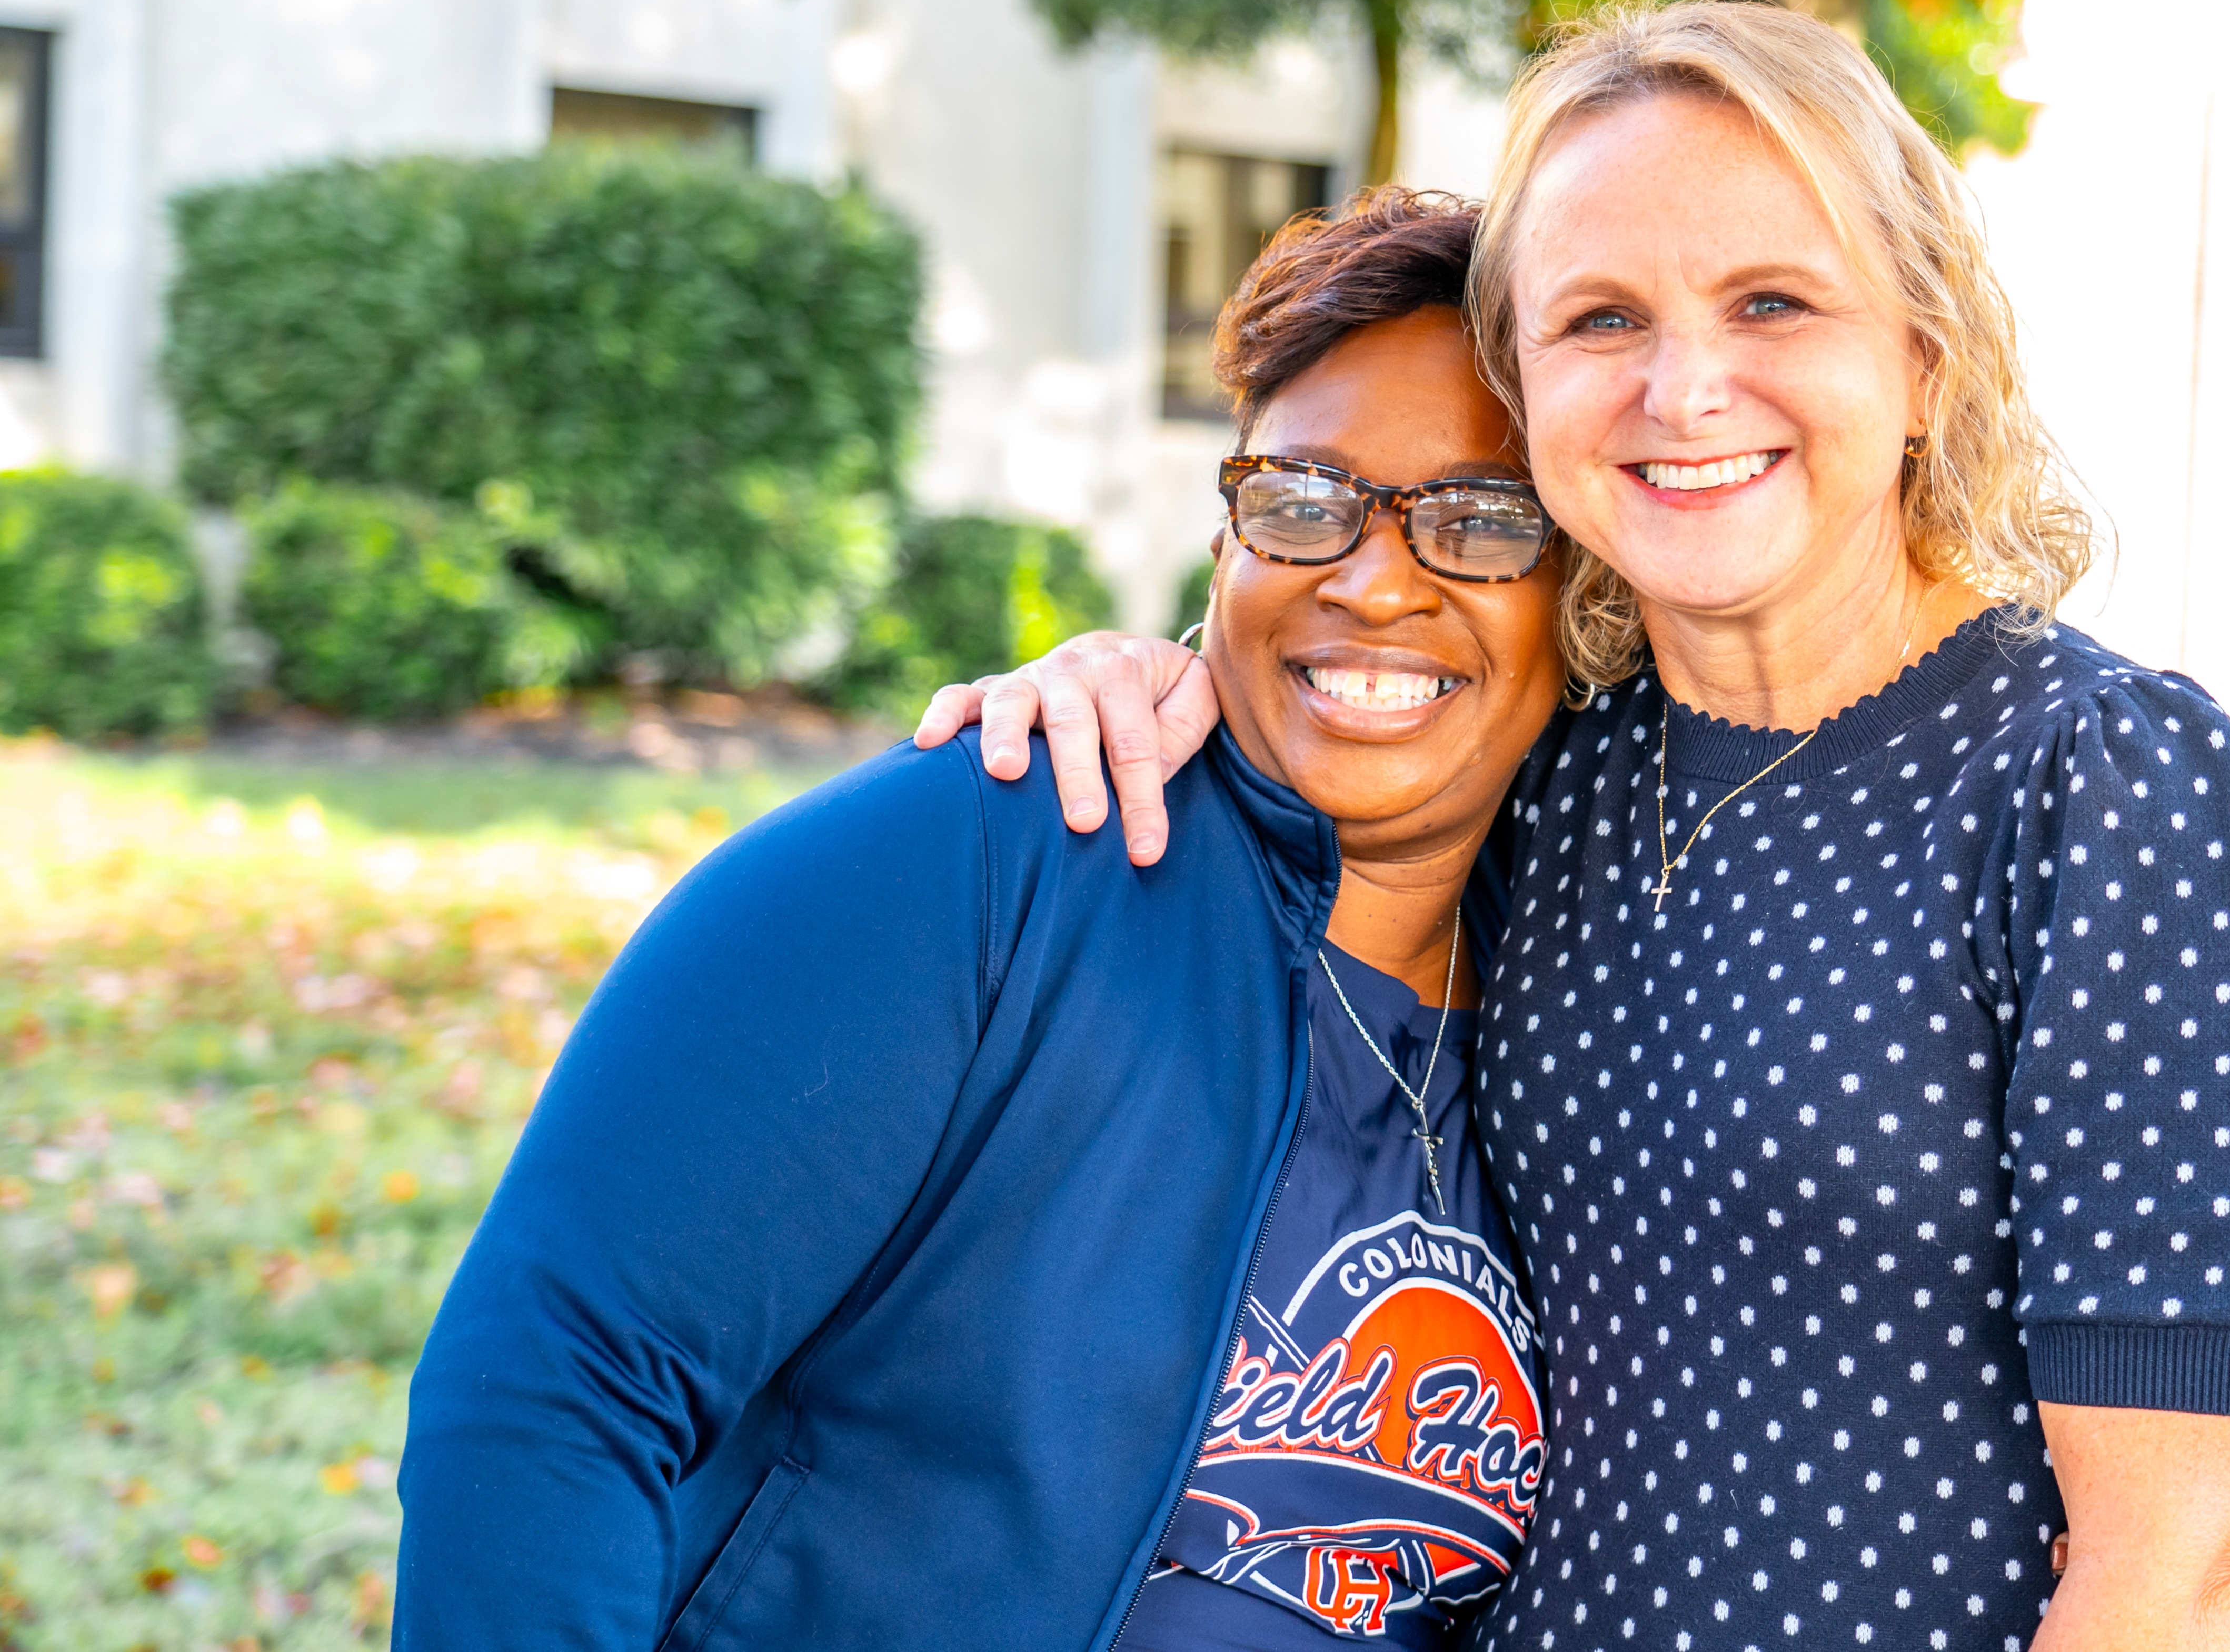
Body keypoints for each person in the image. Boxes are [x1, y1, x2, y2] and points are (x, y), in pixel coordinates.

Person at [914, 0, 2230, 1652]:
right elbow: (1315, 713)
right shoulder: (1559, 780)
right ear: (1524, 391)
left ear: (1920, 356)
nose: (1684, 389)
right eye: (1600, 318)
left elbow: (2190, 1572)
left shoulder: (2105, 794)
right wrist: (1131, 676)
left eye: (1771, 301)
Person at [395, 191, 1573, 1651]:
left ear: (1583, 587)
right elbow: (550, 1387)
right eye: (1302, 498)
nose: (1374, 576)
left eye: (1479, 521)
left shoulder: (1592, 997)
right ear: (1224, 544)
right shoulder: (989, 847)